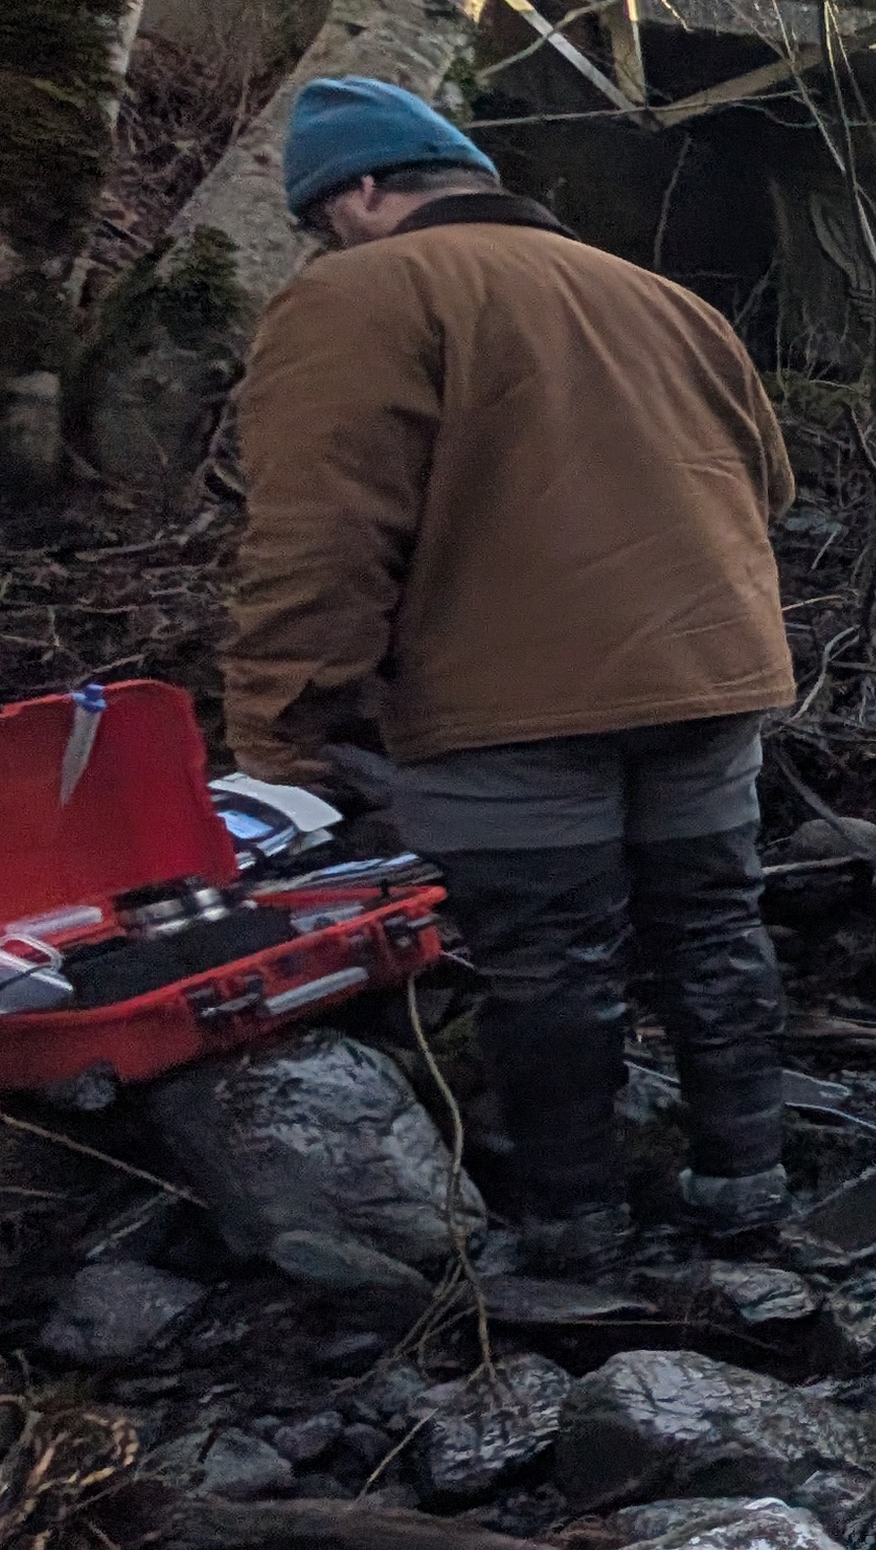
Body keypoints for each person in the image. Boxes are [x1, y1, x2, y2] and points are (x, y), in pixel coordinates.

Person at [222, 76, 799, 1273]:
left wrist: (279, 734)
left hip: (509, 701)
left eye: (322, 218)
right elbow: (770, 489)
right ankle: (746, 1183)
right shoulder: (664, 300)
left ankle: (575, 1230)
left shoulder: (359, 293)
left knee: (551, 963)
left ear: (363, 192)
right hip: (712, 674)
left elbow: (321, 533)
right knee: (714, 931)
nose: (323, 242)